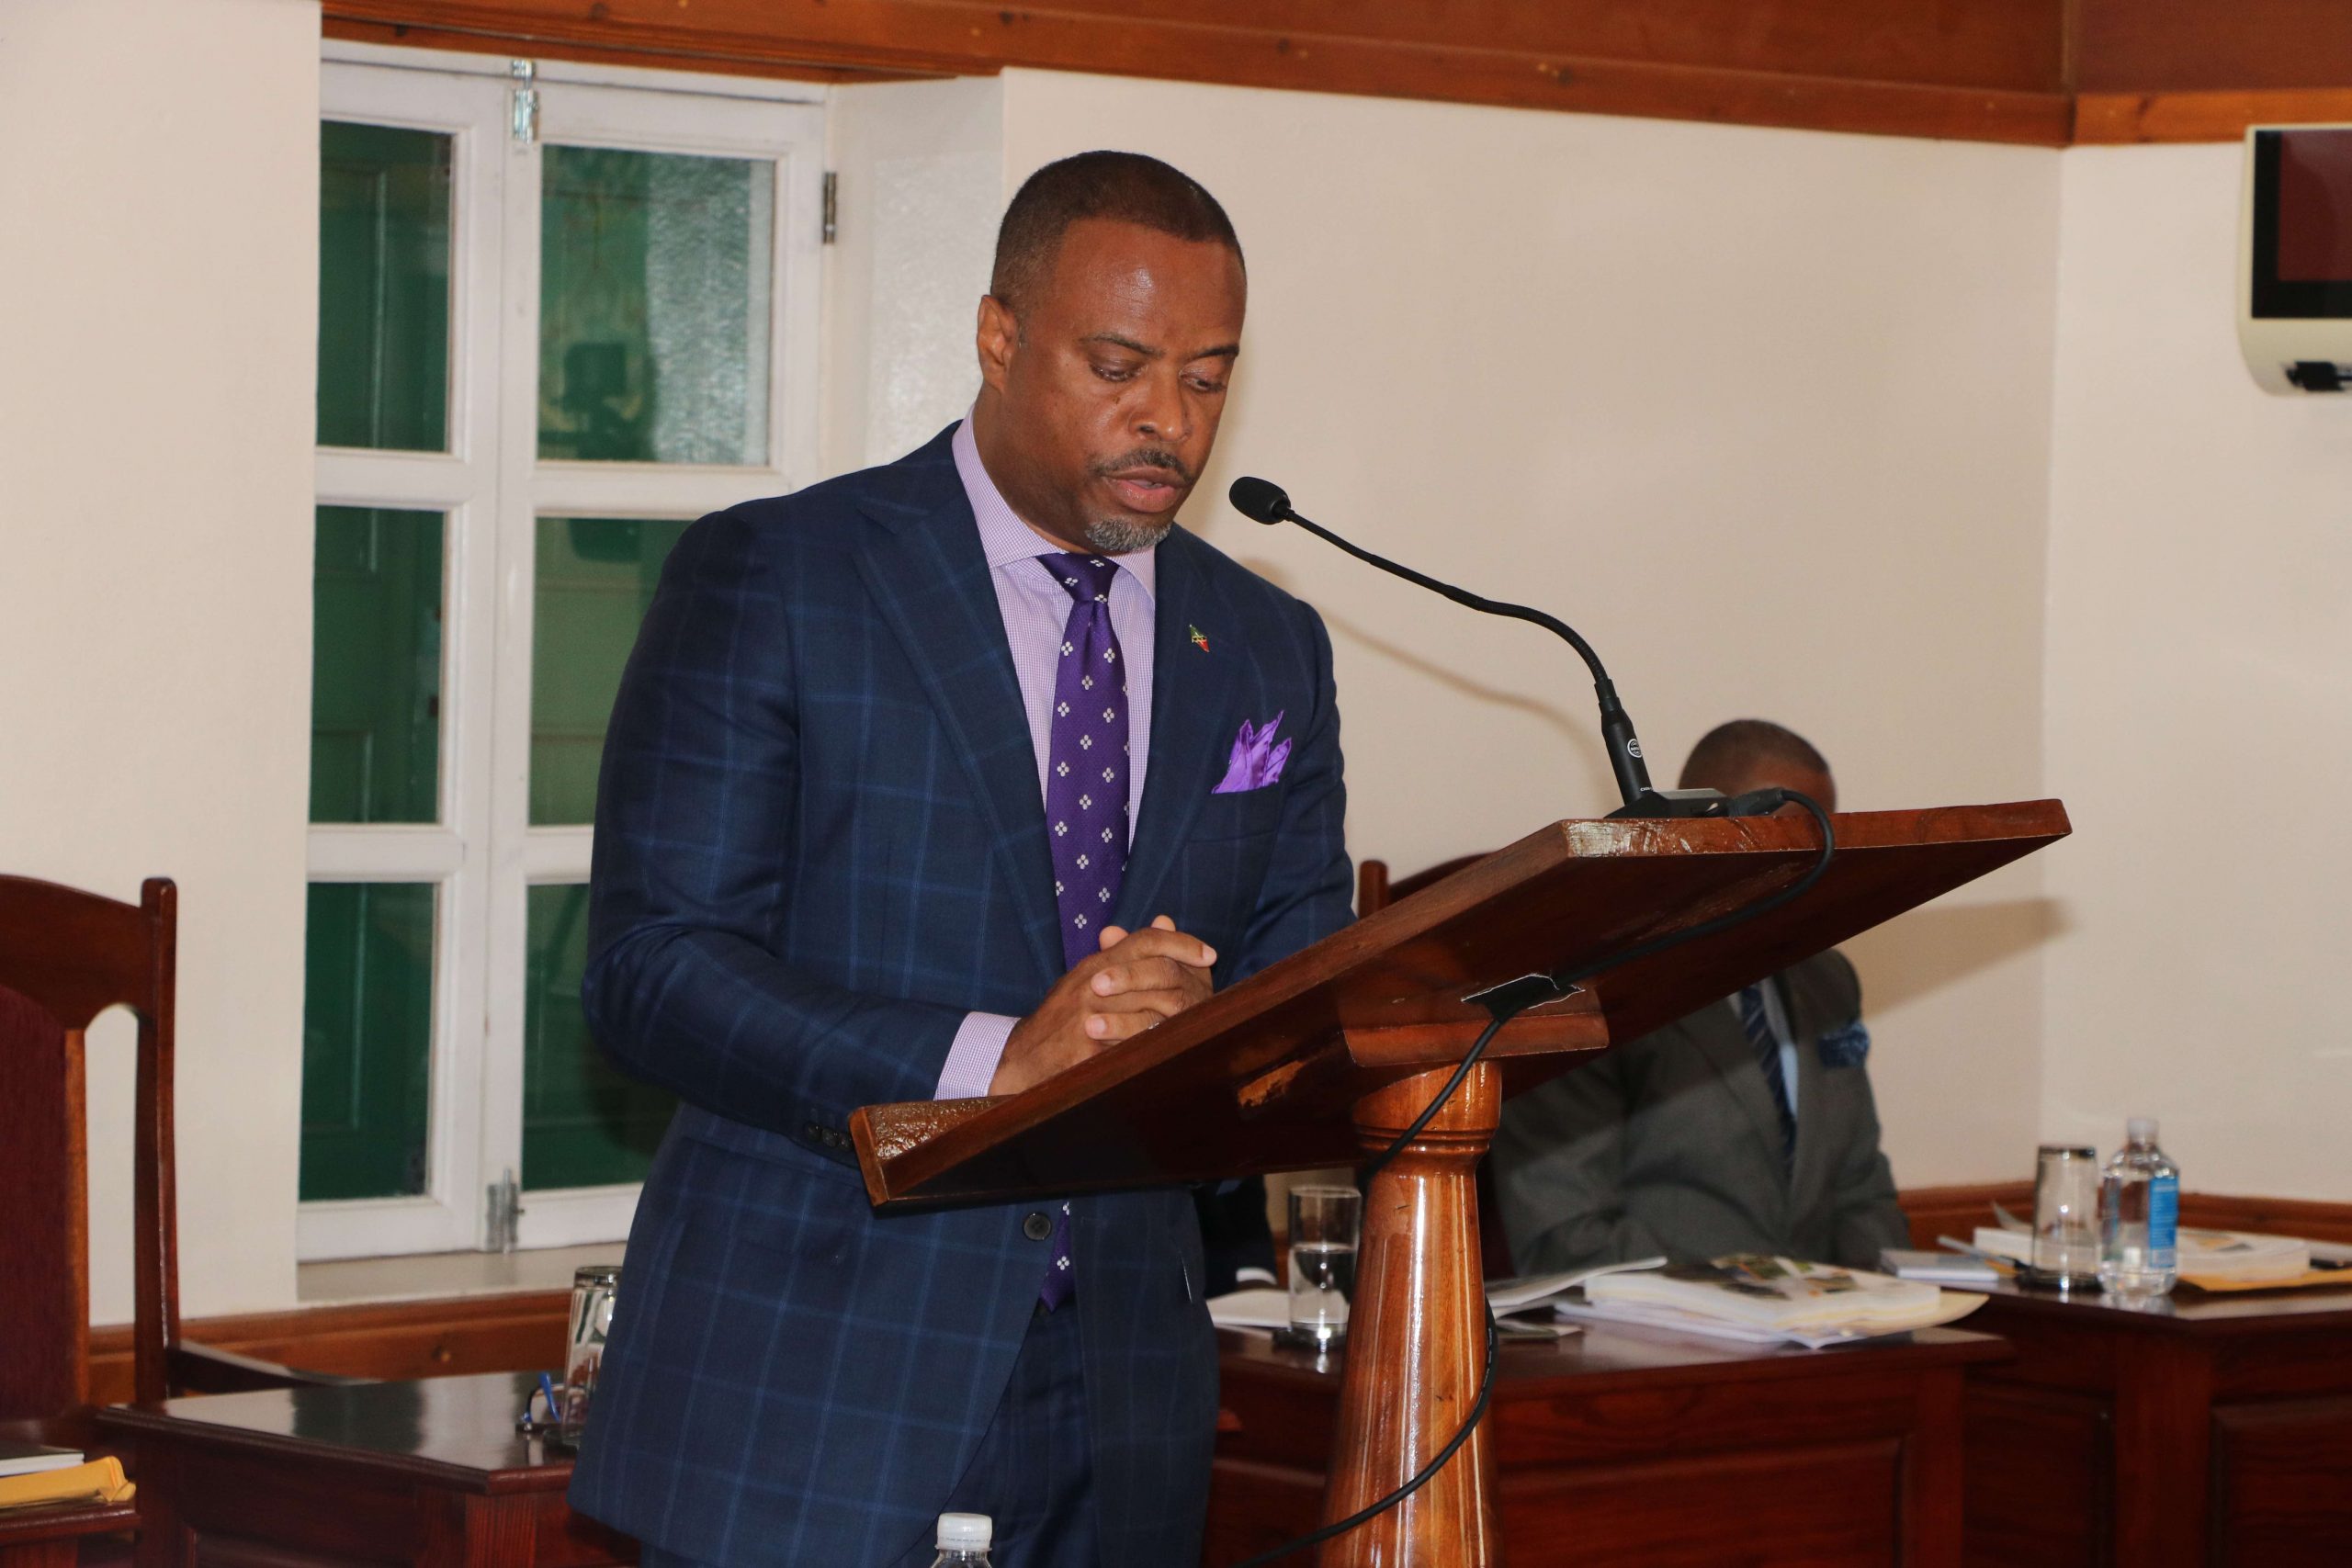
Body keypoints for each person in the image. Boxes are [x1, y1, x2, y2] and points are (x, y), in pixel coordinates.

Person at [567, 151, 1352, 1568]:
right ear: (1000, 337)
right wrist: (998, 1056)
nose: (1166, 421)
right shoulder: (783, 578)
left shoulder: (1263, 644)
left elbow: (1299, 964)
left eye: (1206, 376)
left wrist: (1248, 1023)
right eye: (1120, 364)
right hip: (816, 1382)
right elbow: (651, 968)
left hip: (1122, 1398)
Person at [1490, 720, 1908, 1276]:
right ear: (1704, 830)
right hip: (1661, 1343)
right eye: (1788, 846)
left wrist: (1885, 1303)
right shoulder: (1582, 987)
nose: (1812, 873)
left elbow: (1862, 1193)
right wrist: (1745, 1298)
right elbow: (1567, 1236)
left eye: (1820, 848)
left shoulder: (1826, 979)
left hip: (1831, 1339)